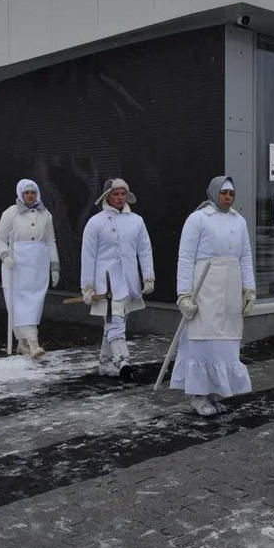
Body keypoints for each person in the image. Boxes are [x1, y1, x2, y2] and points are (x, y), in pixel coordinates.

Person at [170, 176, 256, 416]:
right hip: (205, 288)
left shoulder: (239, 222)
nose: (228, 197)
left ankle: (215, 391)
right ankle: (198, 395)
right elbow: (185, 258)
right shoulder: (197, 219)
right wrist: (184, 295)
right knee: (204, 341)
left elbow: (245, 256)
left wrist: (249, 289)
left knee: (225, 343)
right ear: (214, 193)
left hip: (230, 288)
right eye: (224, 193)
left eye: (232, 194)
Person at [80, 179, 154, 377]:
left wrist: (148, 277)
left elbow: (144, 250)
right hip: (107, 285)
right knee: (115, 322)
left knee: (115, 322)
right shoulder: (95, 223)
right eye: (116, 194)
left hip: (129, 282)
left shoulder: (136, 221)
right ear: (107, 197)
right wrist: (87, 287)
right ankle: (123, 361)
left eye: (123, 194)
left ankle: (105, 363)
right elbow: (88, 256)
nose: (120, 198)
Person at [0, 179, 60, 359]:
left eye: (33, 192)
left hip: (38, 262)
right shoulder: (11, 213)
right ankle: (33, 343)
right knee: (18, 303)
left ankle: (22, 343)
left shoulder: (45, 214)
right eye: (26, 193)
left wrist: (54, 265)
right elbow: (0, 238)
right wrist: (5, 256)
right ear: (20, 194)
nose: (30, 196)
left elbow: (50, 241)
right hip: (16, 264)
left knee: (34, 303)